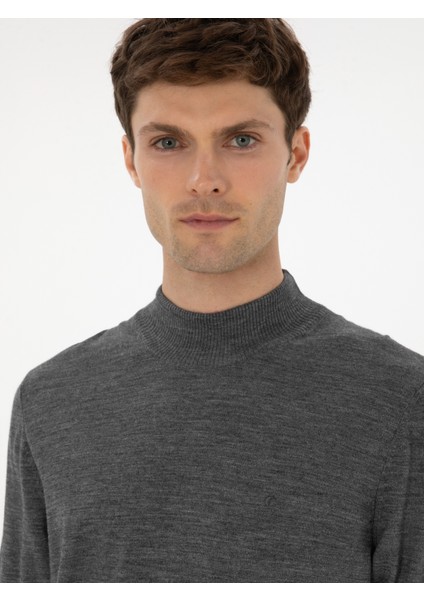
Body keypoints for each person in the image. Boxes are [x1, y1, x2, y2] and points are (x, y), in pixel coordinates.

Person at [0, 18, 423, 583]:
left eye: (241, 140)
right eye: (168, 142)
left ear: (296, 154)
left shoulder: (400, 400)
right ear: (131, 160)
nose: (204, 179)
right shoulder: (50, 402)